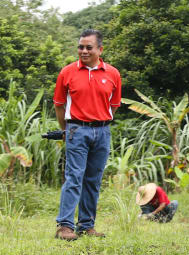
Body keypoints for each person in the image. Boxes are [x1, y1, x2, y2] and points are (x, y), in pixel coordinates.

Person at [53, 29, 121, 241]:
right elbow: (59, 104)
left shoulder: (113, 74)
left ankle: (86, 225)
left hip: (102, 131)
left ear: (100, 49)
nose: (83, 51)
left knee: (93, 180)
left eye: (88, 47)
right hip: (76, 129)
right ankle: (64, 226)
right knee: (74, 177)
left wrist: (100, 121)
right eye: (80, 47)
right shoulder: (67, 72)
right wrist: (66, 130)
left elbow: (114, 105)